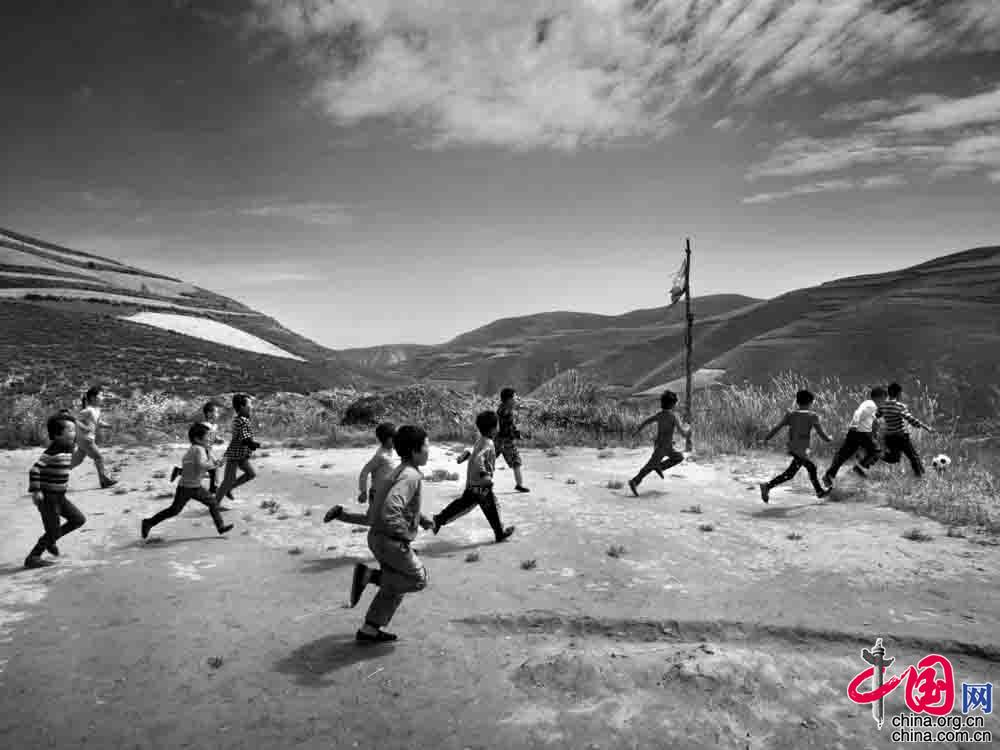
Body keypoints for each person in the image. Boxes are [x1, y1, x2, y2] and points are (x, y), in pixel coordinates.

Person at [349, 425, 434, 644]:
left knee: (396, 584)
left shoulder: (400, 470)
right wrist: (403, 534)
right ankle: (369, 576)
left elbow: (399, 504)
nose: (429, 450)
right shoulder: (411, 475)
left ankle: (370, 629)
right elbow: (391, 508)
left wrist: (422, 519)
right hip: (390, 541)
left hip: (378, 537)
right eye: (426, 446)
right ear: (415, 451)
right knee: (417, 579)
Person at [430, 410, 516, 542]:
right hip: (481, 485)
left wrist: (465, 456)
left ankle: (439, 519)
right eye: (497, 424)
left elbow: (474, 453)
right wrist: (485, 475)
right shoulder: (488, 443)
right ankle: (499, 533)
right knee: (490, 508)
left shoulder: (481, 440)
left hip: (474, 483)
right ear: (493, 429)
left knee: (463, 505)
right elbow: (478, 459)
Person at [141, 423, 234, 539]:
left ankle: (221, 527)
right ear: (197, 439)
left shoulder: (201, 449)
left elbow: (206, 462)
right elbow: (201, 465)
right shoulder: (197, 449)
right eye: (207, 436)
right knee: (174, 510)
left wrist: (217, 462)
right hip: (186, 488)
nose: (209, 439)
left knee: (212, 503)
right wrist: (214, 464)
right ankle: (148, 522)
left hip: (195, 486)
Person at [24, 413, 87, 568]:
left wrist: (72, 419)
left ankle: (51, 540)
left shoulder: (69, 447)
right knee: (53, 529)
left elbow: (80, 437)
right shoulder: (52, 452)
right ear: (57, 435)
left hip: (60, 497)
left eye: (74, 430)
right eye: (70, 431)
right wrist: (36, 491)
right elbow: (34, 470)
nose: (74, 433)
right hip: (47, 498)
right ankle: (33, 557)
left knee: (78, 520)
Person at [759, 389, 832, 503]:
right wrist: (829, 439)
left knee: (803, 470)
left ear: (797, 401)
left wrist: (766, 439)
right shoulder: (812, 416)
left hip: (793, 448)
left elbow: (777, 427)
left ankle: (819, 491)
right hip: (801, 451)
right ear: (811, 402)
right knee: (801, 470)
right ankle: (767, 486)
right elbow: (821, 433)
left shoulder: (791, 415)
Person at [324, 422, 397, 525]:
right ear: (389, 439)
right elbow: (364, 472)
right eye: (396, 439)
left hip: (385, 494)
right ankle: (340, 513)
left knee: (376, 520)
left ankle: (340, 514)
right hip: (378, 495)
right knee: (371, 520)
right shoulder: (381, 456)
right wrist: (363, 491)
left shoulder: (389, 453)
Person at [628, 389, 690, 497]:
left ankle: (659, 467)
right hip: (663, 448)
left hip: (665, 446)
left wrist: (637, 431)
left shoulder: (659, 415)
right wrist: (688, 430)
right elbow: (682, 433)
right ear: (672, 404)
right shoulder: (673, 417)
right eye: (675, 403)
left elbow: (646, 422)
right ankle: (634, 481)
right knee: (649, 466)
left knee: (678, 457)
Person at [823, 387, 886, 486]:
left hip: (854, 432)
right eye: (884, 399)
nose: (884, 402)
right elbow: (858, 413)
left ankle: (829, 476)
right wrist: (856, 425)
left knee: (844, 454)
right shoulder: (871, 404)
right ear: (880, 397)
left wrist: (856, 427)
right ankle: (859, 468)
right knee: (877, 452)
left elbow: (870, 418)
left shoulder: (869, 405)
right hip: (861, 432)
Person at [875, 382, 934, 477]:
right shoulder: (900, 406)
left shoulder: (883, 406)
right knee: (913, 456)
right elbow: (911, 419)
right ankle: (921, 476)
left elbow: (876, 415)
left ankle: (877, 454)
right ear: (898, 394)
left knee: (894, 458)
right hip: (901, 436)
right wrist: (926, 427)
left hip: (889, 437)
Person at [213, 394, 260, 505]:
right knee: (229, 479)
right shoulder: (241, 420)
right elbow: (244, 438)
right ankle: (215, 504)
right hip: (235, 454)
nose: (251, 406)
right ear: (242, 407)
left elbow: (243, 436)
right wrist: (253, 444)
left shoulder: (241, 419)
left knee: (251, 474)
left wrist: (250, 444)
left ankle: (228, 489)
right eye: (250, 404)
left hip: (241, 455)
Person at [171, 401, 223, 495]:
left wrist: (217, 439)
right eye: (216, 412)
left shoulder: (214, 426)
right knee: (213, 469)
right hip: (202, 451)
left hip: (206, 451)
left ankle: (180, 471)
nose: (218, 414)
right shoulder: (205, 426)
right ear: (209, 413)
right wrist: (212, 457)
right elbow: (204, 441)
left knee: (201, 470)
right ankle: (213, 488)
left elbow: (211, 438)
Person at [74, 385, 117, 489]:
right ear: (93, 398)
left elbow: (98, 422)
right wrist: (84, 428)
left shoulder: (96, 410)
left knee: (77, 460)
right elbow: (75, 420)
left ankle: (57, 471)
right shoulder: (88, 410)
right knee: (98, 457)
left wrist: (109, 426)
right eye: (100, 395)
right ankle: (104, 480)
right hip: (86, 439)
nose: (102, 397)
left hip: (85, 439)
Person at [496, 387, 529, 493]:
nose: (516, 399)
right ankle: (519, 485)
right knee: (516, 461)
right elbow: (507, 426)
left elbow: (510, 426)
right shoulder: (505, 410)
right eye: (515, 397)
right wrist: (515, 433)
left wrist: (517, 433)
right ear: (509, 399)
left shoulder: (504, 409)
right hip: (506, 441)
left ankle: (519, 485)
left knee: (488, 460)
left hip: (498, 440)